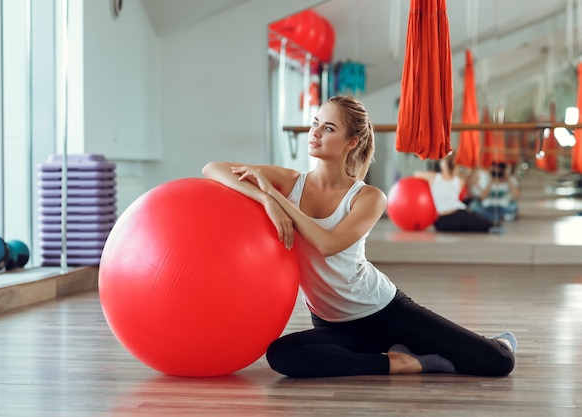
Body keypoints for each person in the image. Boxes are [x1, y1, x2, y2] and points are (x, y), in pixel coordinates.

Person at [202, 95, 516, 378]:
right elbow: (212, 168)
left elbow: (327, 244)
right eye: (315, 124)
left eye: (328, 128)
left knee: (497, 362)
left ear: (351, 142)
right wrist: (266, 199)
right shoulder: (291, 183)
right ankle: (402, 363)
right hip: (332, 325)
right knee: (283, 356)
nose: (315, 133)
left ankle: (496, 342)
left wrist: (274, 194)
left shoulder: (367, 197)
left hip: (384, 311)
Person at [414, 155, 493, 232]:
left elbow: (416, 173)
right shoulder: (459, 180)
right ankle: (492, 225)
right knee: (485, 223)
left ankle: (490, 225)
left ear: (443, 164)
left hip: (441, 222)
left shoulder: (433, 177)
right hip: (456, 216)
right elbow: (469, 180)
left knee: (472, 218)